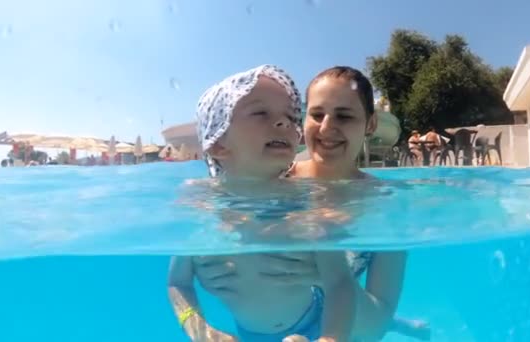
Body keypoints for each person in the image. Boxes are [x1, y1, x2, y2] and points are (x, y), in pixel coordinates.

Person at [196, 66, 430, 341]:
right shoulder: (270, 174)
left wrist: (322, 278)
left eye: (344, 116)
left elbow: (375, 325)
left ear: (370, 124)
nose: (327, 127)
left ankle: (400, 325)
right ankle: (403, 325)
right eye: (317, 115)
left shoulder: (387, 205)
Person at [168, 64, 357, 342]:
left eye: (290, 116)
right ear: (219, 144)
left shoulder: (308, 204)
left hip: (314, 322)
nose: (283, 122)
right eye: (260, 112)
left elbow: (340, 284)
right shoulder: (199, 207)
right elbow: (177, 282)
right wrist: (200, 331)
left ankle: (398, 326)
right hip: (248, 334)